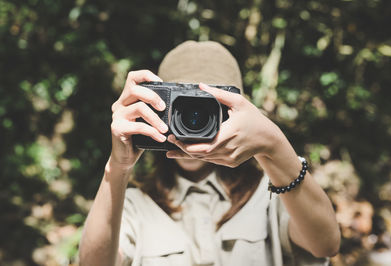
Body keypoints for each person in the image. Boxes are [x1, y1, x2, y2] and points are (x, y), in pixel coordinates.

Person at [79, 41, 341, 266]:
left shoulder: (272, 196)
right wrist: (118, 166)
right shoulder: (134, 205)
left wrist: (273, 145)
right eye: (181, 108)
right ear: (156, 109)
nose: (194, 123)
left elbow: (325, 245)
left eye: (208, 110)